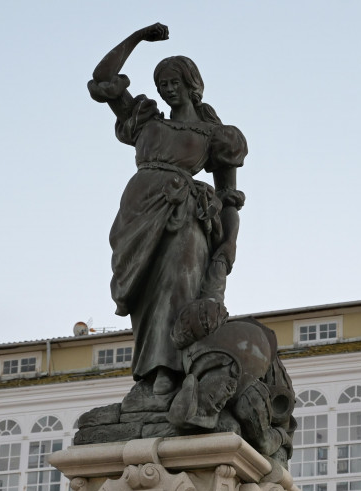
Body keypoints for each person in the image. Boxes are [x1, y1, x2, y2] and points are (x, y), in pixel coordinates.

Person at [88, 24, 248, 396]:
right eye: (161, 82)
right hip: (138, 210)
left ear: (191, 82)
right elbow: (102, 79)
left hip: (187, 212)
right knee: (145, 294)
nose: (166, 88)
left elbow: (229, 197)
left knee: (179, 281)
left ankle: (170, 369)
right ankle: (147, 370)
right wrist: (138, 37)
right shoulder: (144, 120)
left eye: (173, 80)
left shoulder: (217, 136)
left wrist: (230, 245)